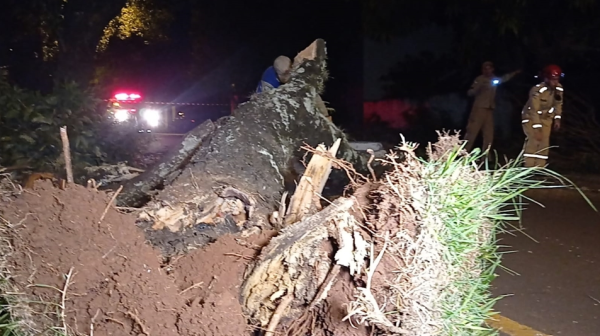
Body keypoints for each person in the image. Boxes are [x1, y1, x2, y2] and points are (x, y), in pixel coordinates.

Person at [464, 61, 521, 152]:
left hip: (489, 109)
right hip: (479, 108)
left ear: (492, 69)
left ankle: (486, 157)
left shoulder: (494, 79)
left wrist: (514, 73)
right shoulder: (480, 79)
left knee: (489, 135)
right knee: (472, 132)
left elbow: (503, 79)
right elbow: (470, 92)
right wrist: (479, 88)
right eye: (485, 68)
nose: (487, 70)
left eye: (489, 68)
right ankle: (463, 154)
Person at [521, 64, 564, 167]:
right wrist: (537, 128)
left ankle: (540, 167)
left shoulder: (559, 88)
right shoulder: (537, 90)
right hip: (531, 117)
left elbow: (558, 103)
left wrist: (557, 119)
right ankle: (528, 167)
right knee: (533, 140)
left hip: (547, 118)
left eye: (557, 79)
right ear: (546, 78)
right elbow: (534, 109)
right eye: (553, 79)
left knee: (544, 142)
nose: (555, 82)